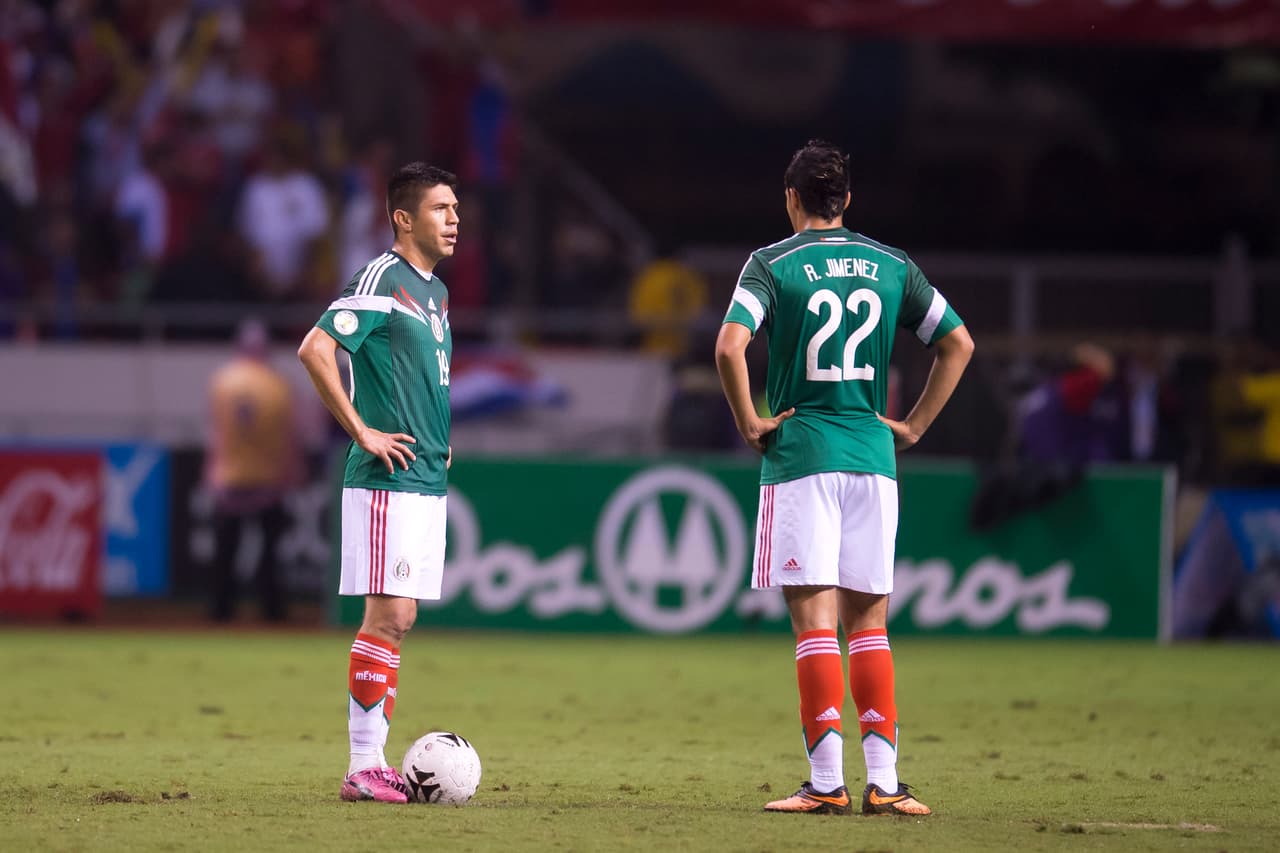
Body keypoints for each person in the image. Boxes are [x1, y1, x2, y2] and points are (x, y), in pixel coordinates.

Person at [715, 140, 973, 817]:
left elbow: (730, 345)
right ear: (848, 199)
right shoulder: (893, 265)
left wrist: (749, 420)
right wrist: (912, 426)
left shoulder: (772, 264)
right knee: (871, 624)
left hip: (802, 454)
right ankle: (886, 782)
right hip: (872, 459)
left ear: (791, 198)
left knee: (815, 624)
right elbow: (958, 343)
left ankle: (826, 781)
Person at [297, 162, 458, 804]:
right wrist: (362, 429)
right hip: (387, 477)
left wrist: (441, 440)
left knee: (402, 616)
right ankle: (363, 765)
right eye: (441, 208)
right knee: (386, 615)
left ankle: (372, 762)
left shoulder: (435, 291)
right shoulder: (381, 278)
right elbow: (315, 349)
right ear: (403, 218)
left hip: (427, 474)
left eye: (456, 208)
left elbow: (421, 378)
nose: (454, 219)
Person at [204, 317, 300, 622]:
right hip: (268, 480)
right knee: (270, 553)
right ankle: (272, 611)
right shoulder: (279, 385)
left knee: (225, 551)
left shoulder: (222, 381)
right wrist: (292, 472)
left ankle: (221, 610)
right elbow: (289, 436)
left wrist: (211, 472)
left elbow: (216, 432)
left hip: (229, 478)